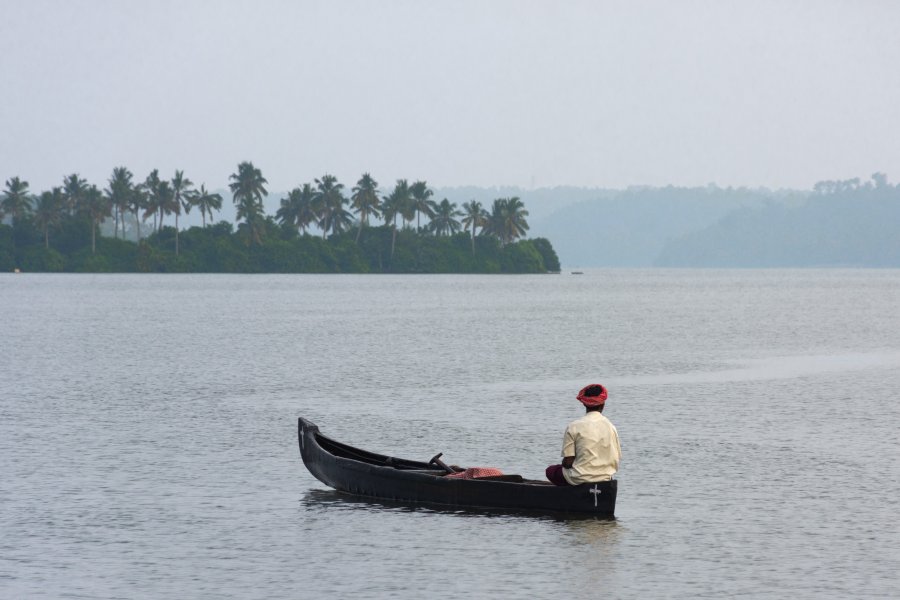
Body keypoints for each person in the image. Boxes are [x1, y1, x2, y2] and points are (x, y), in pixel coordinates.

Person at [545, 383, 621, 486]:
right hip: (605, 478)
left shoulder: (574, 426)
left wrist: (564, 464)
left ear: (584, 404)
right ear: (603, 404)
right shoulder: (611, 427)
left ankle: (570, 492)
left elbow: (568, 463)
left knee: (550, 471)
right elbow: (616, 458)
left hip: (579, 478)